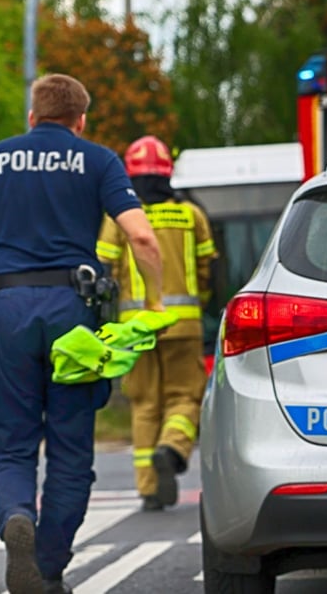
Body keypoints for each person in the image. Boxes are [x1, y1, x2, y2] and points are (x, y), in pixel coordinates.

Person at [0, 74, 164, 594]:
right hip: (73, 311)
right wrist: (153, 302)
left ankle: (16, 516)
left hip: (5, 307)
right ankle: (47, 567)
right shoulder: (98, 160)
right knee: (71, 450)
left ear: (32, 116)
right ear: (81, 119)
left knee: (11, 444)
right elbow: (140, 235)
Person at [96, 135, 217, 513]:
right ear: (168, 173)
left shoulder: (119, 217)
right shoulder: (191, 215)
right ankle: (173, 448)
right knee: (185, 397)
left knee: (144, 404)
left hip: (137, 328)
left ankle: (148, 488)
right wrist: (200, 304)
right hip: (184, 325)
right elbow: (208, 269)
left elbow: (105, 270)